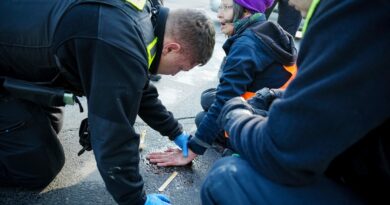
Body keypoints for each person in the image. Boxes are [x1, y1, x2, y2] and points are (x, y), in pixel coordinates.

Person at [0, 0, 215, 205]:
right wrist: (135, 199)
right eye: (181, 68)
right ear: (171, 48)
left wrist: (175, 131)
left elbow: (137, 87)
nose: (176, 75)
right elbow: (113, 135)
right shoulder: (122, 44)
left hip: (20, 58)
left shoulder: (148, 18)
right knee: (40, 166)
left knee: (49, 126)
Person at [202, 0, 390, 204]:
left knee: (226, 177)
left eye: (226, 7)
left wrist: (234, 114)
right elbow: (330, 92)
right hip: (366, 166)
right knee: (208, 106)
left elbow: (281, 150)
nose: (287, 1)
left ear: (244, 11)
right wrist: (272, 96)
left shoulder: (354, 11)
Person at [147, 0, 297, 166]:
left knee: (203, 117)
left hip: (270, 130)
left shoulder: (246, 44)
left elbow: (226, 99)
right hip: (279, 113)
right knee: (207, 98)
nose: (219, 15)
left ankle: (243, 150)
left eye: (226, 7)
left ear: (246, 11)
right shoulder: (266, 31)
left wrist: (193, 149)